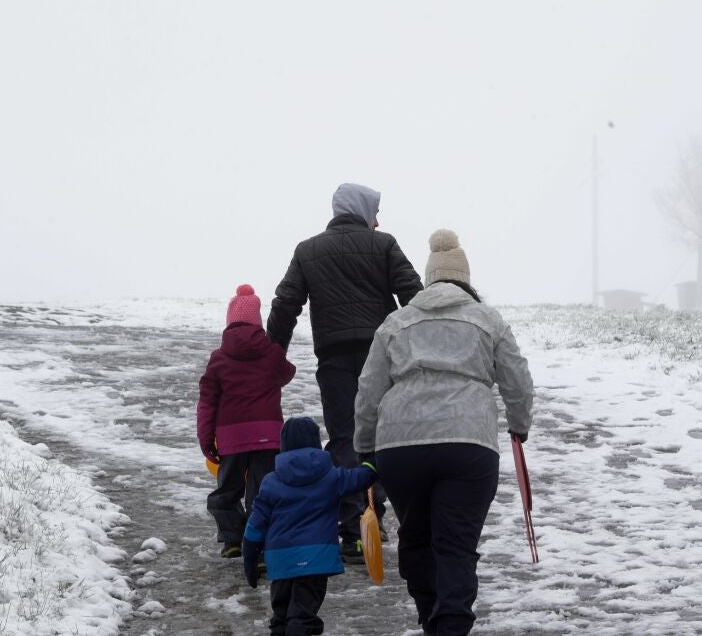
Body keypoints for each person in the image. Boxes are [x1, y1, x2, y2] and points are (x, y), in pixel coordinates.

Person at [353, 229, 534, 636]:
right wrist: (519, 424)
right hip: (468, 444)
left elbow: (369, 389)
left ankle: (429, 616)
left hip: (401, 446)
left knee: (416, 538)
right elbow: (517, 380)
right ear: (466, 279)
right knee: (455, 544)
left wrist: (365, 447)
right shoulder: (487, 320)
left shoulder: (396, 322)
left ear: (428, 278)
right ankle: (451, 622)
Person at [266, 182, 423, 561]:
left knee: (344, 438)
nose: (377, 221)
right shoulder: (383, 244)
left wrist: (273, 357)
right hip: (381, 353)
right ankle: (375, 516)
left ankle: (354, 528)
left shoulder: (308, 250)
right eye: (375, 212)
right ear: (362, 210)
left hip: (334, 356)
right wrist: (422, 342)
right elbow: (413, 294)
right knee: (382, 434)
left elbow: (285, 304)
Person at [241, 417, 378, 636]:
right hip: (315, 561)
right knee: (302, 617)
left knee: (281, 617)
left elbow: (254, 528)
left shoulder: (271, 482)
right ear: (316, 444)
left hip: (281, 562)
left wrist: (250, 561)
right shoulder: (331, 478)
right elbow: (363, 477)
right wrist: (373, 460)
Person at [197, 284, 296, 558]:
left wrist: (206, 438)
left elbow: (207, 402)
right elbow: (287, 374)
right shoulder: (271, 353)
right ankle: (259, 544)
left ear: (229, 321)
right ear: (258, 321)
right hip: (268, 436)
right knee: (262, 491)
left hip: (231, 438)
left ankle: (232, 539)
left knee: (227, 490)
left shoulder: (219, 359)